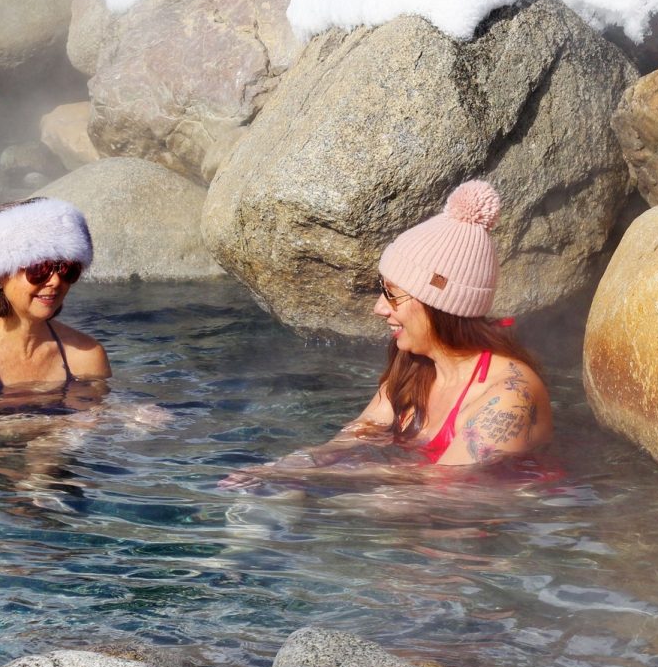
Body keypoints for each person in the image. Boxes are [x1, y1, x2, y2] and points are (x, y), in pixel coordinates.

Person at [226, 180, 552, 484]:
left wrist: (318, 490)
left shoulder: (507, 396)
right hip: (422, 517)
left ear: (439, 305)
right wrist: (283, 468)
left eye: (392, 294)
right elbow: (355, 436)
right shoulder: (415, 366)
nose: (379, 308)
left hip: (490, 533)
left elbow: (447, 489)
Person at [0, 198, 110, 402]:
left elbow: (98, 420)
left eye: (67, 269)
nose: (56, 280)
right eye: (39, 269)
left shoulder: (87, 356)